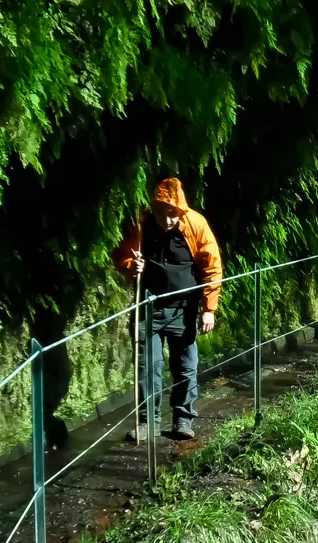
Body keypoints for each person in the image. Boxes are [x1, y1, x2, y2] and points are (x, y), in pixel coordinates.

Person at [114, 178, 223, 442]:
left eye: (174, 213)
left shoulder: (195, 225)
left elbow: (212, 267)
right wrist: (132, 266)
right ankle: (147, 423)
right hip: (148, 309)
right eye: (165, 213)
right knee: (147, 367)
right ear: (156, 209)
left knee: (185, 366)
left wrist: (209, 309)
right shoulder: (143, 226)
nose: (170, 219)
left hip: (183, 308)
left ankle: (182, 419)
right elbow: (121, 255)